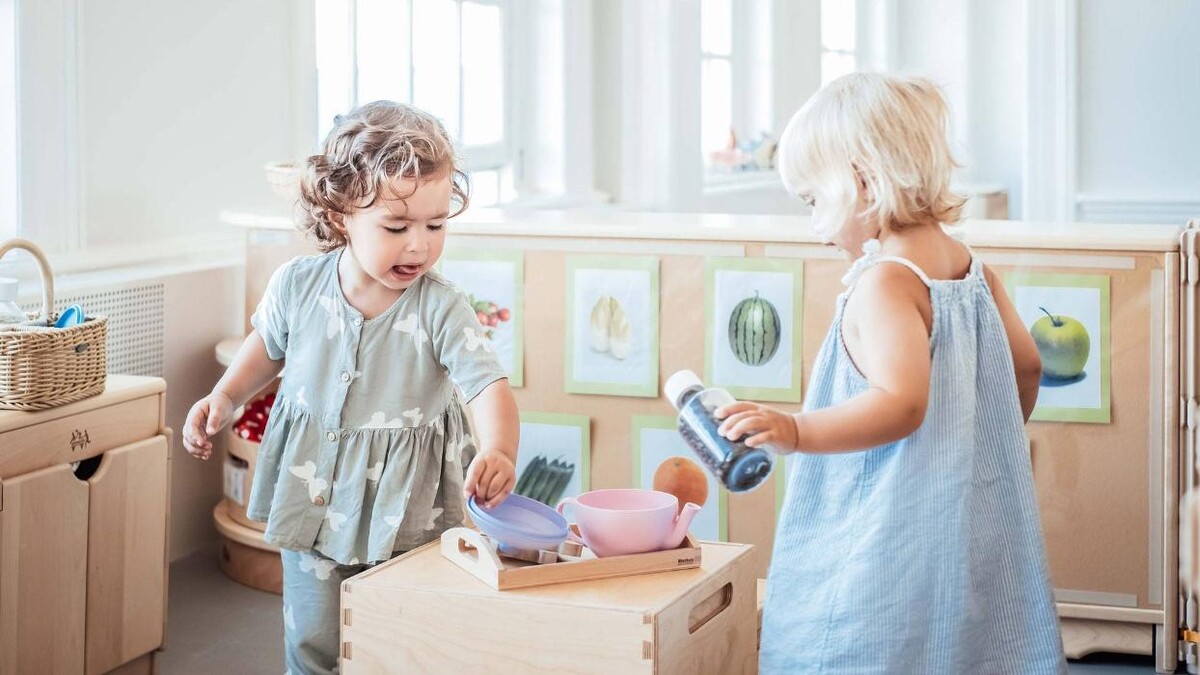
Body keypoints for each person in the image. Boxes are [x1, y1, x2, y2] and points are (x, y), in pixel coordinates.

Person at [718, 73, 1066, 674]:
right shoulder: (968, 268)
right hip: (960, 515)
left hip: (884, 531)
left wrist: (796, 430)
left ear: (862, 182)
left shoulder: (885, 283)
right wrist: (983, 436)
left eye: (813, 201)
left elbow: (901, 403)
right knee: (957, 641)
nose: (814, 225)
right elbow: (1029, 364)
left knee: (858, 638)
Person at [182, 101, 519, 674]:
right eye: (396, 227)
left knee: (402, 639)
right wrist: (226, 396)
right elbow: (266, 348)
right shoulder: (297, 284)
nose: (419, 245)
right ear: (341, 214)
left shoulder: (443, 307)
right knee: (312, 636)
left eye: (435, 226)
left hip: (405, 509)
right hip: (314, 498)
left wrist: (500, 448)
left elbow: (486, 384)